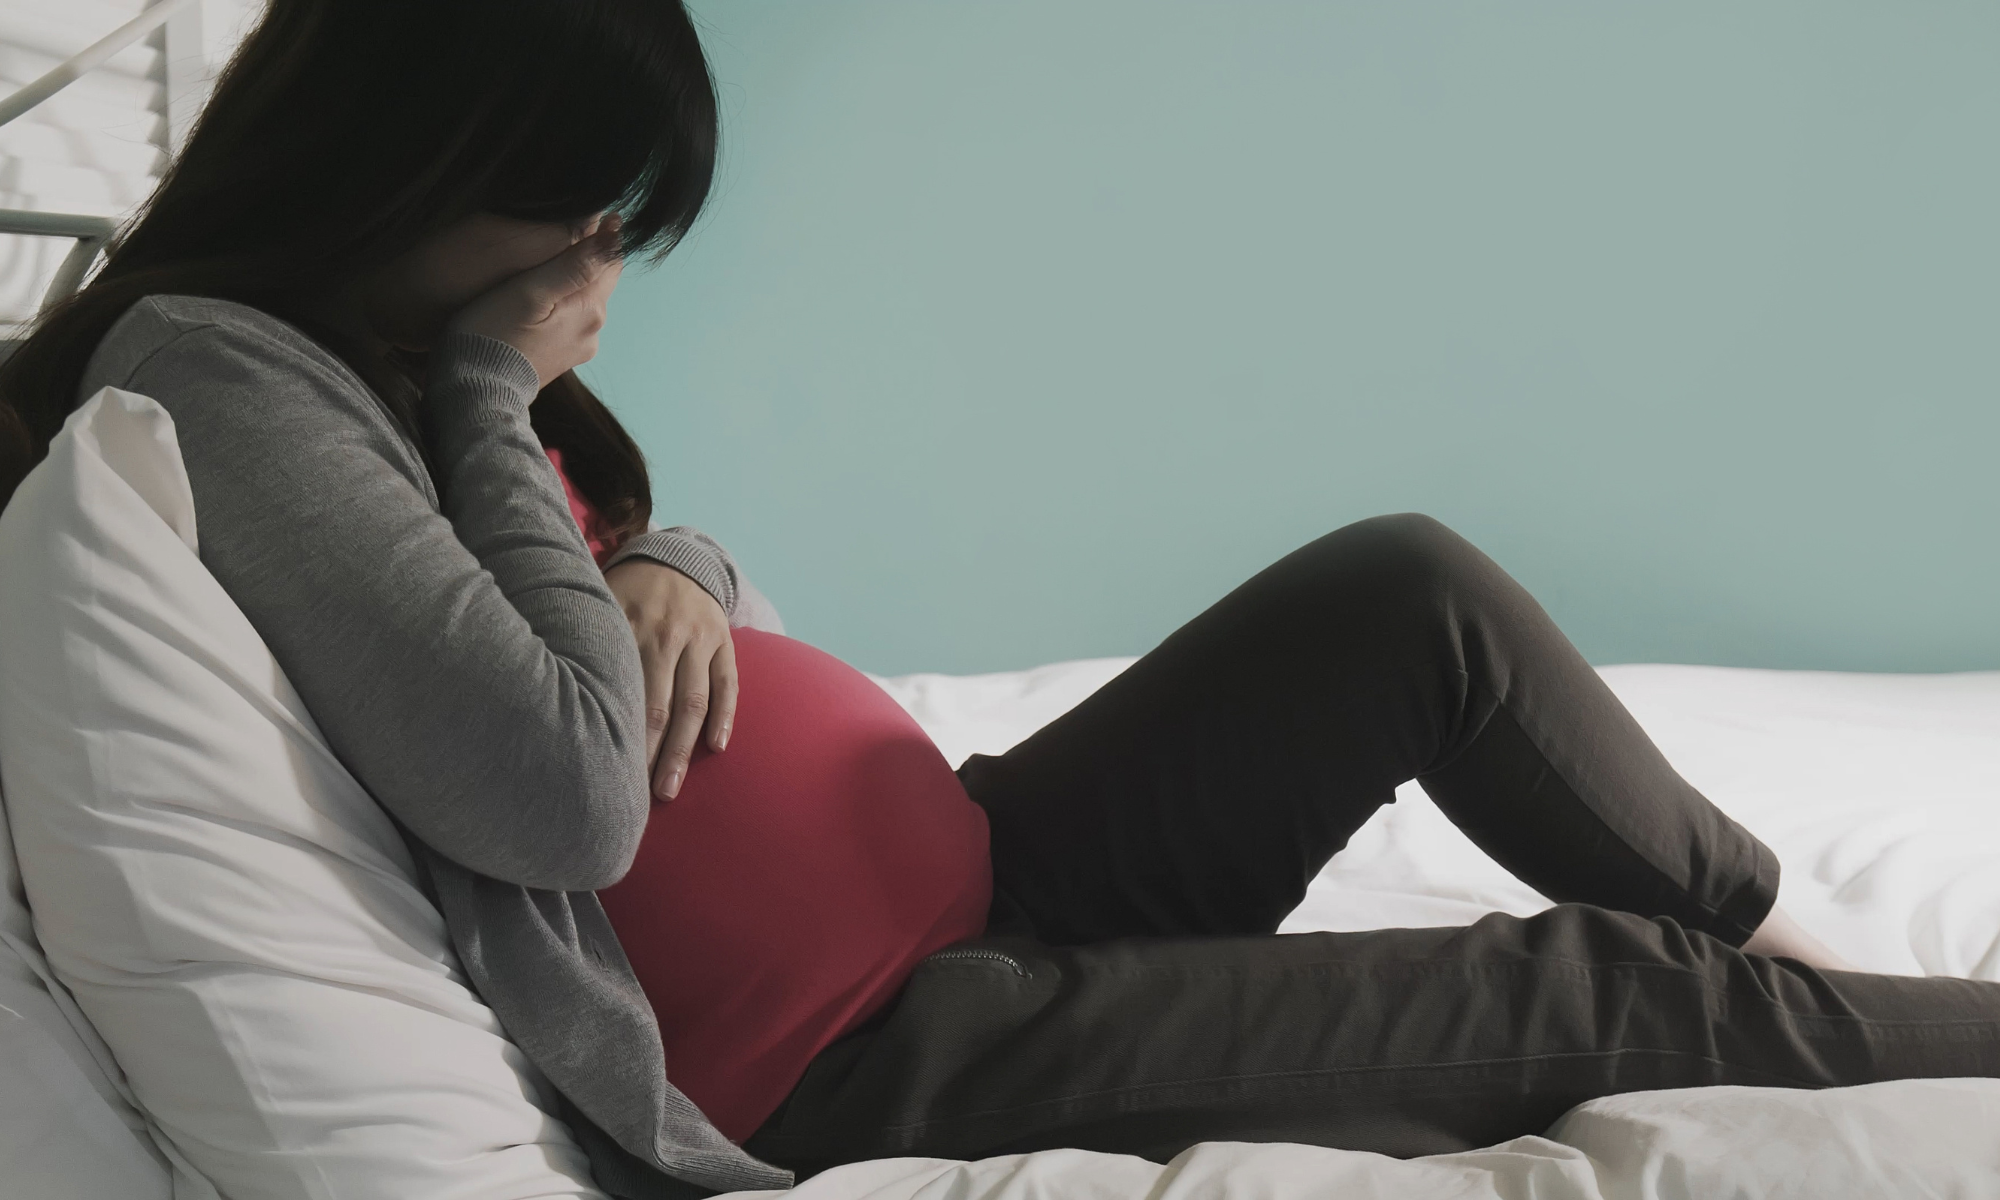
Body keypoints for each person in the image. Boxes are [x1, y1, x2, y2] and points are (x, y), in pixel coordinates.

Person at [1, 1, 1996, 1196]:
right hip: (854, 1046)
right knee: (1594, 996)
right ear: (407, 159)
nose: (600, 258)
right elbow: (563, 793)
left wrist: (666, 556)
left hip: (973, 862)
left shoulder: (391, 347)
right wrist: (485, 380)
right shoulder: (223, 370)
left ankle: (1786, 930)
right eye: (586, 208)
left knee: (1409, 599)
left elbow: (616, 577)